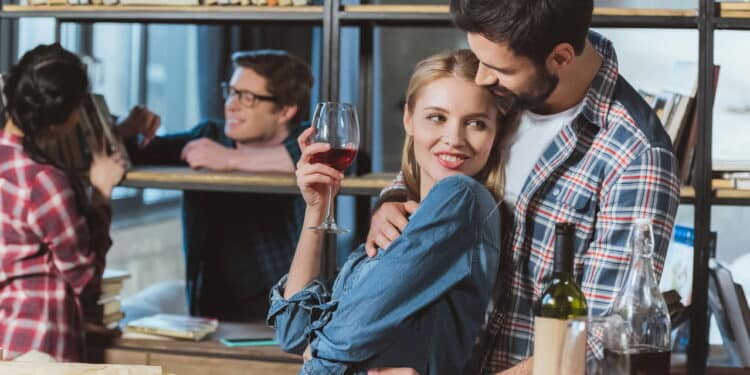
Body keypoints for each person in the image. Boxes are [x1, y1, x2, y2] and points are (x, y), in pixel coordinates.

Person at [368, 1, 681, 373]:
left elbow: (599, 338)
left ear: (561, 58)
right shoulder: (507, 84)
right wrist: (395, 197)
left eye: (498, 69)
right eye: (478, 57)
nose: (482, 78)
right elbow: (441, 150)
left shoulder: (636, 155)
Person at [268, 49, 509, 375]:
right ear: (409, 118)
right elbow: (293, 332)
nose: (454, 139)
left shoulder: (463, 198)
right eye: (437, 117)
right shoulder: (398, 218)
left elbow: (332, 343)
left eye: (476, 123)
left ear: (495, 132)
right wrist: (317, 208)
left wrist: (317, 349)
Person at [117, 49, 313, 321]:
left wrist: (231, 159)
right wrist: (124, 128)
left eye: (247, 98)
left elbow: (339, 155)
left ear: (285, 111)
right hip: (212, 307)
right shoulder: (210, 135)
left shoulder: (308, 139)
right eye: (231, 92)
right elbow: (136, 153)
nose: (231, 105)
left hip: (287, 305)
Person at [0, 43, 125, 361]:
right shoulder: (43, 181)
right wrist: (100, 195)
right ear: (60, 121)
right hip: (39, 341)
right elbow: (85, 278)